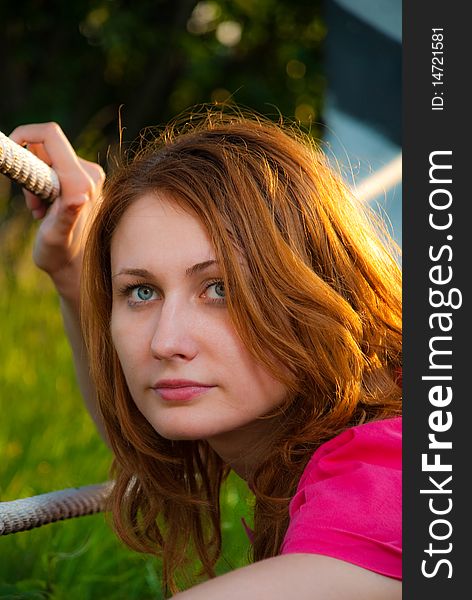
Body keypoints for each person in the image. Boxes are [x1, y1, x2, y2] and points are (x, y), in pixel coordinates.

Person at [10, 108, 402, 599]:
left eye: (220, 289)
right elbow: (141, 438)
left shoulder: (392, 463)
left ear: (317, 291)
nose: (165, 343)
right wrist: (73, 272)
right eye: (141, 292)